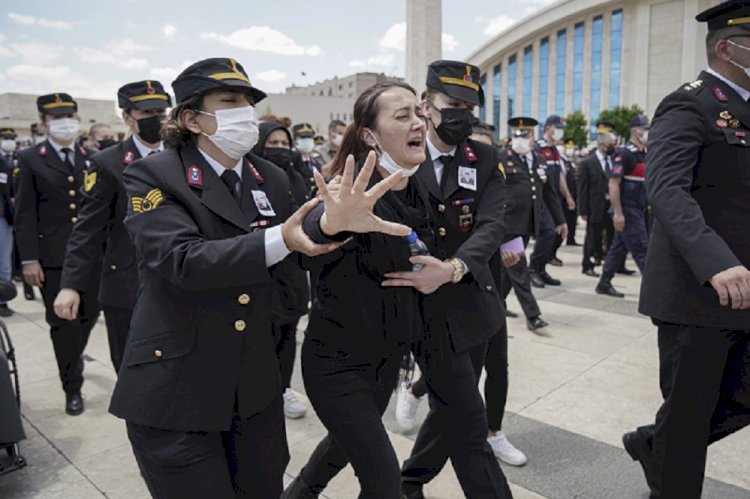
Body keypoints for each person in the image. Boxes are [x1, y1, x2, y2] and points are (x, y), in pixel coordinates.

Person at [108, 57, 406, 499]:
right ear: (192, 118)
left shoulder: (270, 177)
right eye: (229, 101)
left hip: (254, 390)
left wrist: (330, 225)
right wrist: (283, 240)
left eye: (248, 102)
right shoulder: (153, 174)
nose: (244, 112)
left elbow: (297, 247)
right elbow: (182, 260)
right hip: (180, 391)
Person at [284, 80, 441, 499]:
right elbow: (311, 238)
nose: (418, 123)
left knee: (341, 446)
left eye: (419, 113)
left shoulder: (417, 185)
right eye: (402, 115)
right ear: (369, 135)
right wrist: (330, 222)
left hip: (386, 360)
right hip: (337, 364)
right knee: (385, 482)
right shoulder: (346, 192)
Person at [624, 3, 750, 497]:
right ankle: (668, 458)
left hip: (743, 290)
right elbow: (667, 190)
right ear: (727, 47)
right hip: (698, 293)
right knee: (690, 418)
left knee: (730, 403)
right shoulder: (689, 104)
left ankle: (656, 443)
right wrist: (716, 261)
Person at [388, 59, 511, 499]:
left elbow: (492, 225)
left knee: (449, 408)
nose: (462, 114)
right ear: (426, 104)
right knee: (469, 419)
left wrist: (455, 267)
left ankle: (410, 481)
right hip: (416, 307)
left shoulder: (484, 157)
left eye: (469, 106)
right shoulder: (398, 154)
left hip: (469, 303)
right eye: (452, 103)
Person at [53, 80, 171, 373]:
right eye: (148, 113)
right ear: (127, 117)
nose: (157, 119)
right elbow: (87, 230)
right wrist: (71, 285)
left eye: (161, 110)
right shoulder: (108, 163)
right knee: (132, 370)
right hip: (128, 284)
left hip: (177, 276)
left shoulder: (183, 155)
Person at [13, 93, 101, 415]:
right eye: (57, 117)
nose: (66, 121)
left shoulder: (91, 156)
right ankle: (72, 387)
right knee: (63, 324)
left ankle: (73, 355)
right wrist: (29, 260)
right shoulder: (30, 158)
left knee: (90, 314)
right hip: (52, 258)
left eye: (70, 115)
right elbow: (23, 214)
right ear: (45, 122)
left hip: (93, 256)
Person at [251, 120, 310, 420]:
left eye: (284, 145)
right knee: (262, 340)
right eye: (272, 144)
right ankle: (263, 392)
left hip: (293, 273)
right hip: (260, 271)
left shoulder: (298, 179)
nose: (280, 150)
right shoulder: (251, 179)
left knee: (288, 337)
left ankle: (284, 389)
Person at [498, 117, 559, 334]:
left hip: (527, 224)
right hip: (508, 224)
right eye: (517, 134)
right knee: (518, 269)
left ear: (533, 136)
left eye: (525, 134)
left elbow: (548, 192)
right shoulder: (502, 157)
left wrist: (559, 220)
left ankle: (498, 304)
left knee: (508, 271)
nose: (520, 138)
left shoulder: (539, 159)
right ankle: (533, 316)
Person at [594, 114, 650, 297]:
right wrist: (618, 213)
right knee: (643, 249)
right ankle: (655, 291)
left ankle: (604, 282)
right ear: (635, 131)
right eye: (645, 129)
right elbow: (613, 183)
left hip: (639, 209)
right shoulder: (626, 153)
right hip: (627, 209)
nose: (648, 132)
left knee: (619, 248)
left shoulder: (645, 153)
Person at [529, 115, 569, 287]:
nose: (560, 131)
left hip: (552, 197)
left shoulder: (555, 150)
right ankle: (532, 269)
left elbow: (559, 175)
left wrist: (568, 195)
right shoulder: (538, 147)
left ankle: (541, 269)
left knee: (555, 231)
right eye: (557, 127)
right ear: (548, 128)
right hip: (539, 198)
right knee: (547, 231)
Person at [578, 124, 617, 277]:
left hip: (611, 206)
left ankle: (613, 264)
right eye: (610, 145)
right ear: (601, 144)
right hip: (595, 206)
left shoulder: (613, 160)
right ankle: (587, 264)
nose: (612, 148)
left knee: (612, 236)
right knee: (592, 237)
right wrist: (583, 210)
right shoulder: (588, 162)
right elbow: (583, 188)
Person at [0, 128, 16, 317]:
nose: (9, 141)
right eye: (6, 138)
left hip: (3, 217)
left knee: (3, 262)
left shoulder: (4, 161)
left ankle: (2, 300)